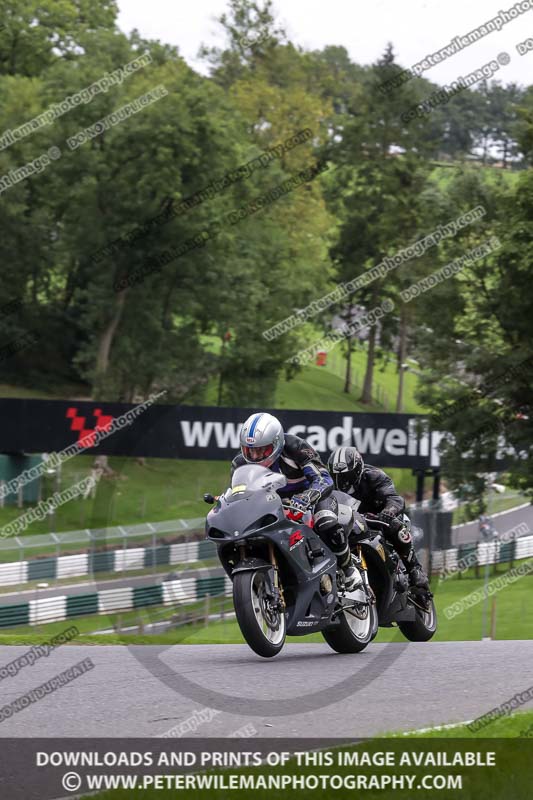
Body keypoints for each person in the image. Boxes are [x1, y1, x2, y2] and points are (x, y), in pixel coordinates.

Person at [231, 412, 360, 589]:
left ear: (276, 443)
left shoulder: (295, 447)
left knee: (326, 522)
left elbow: (323, 478)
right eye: (250, 450)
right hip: (273, 507)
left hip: (312, 498)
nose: (255, 456)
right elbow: (239, 493)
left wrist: (307, 497)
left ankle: (349, 570)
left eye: (262, 450)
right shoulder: (240, 464)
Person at [327, 446, 429, 589]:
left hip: (376, 519)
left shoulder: (374, 476)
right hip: (349, 522)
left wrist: (388, 511)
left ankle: (414, 569)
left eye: (345, 476)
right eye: (335, 476)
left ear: (357, 470)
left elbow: (395, 498)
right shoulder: (328, 484)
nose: (340, 481)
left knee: (396, 526)